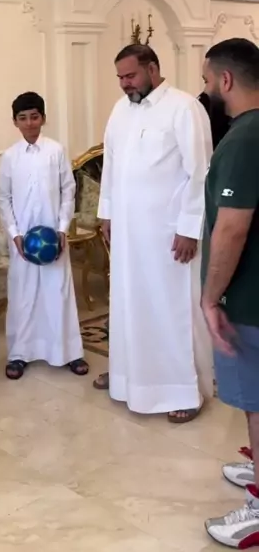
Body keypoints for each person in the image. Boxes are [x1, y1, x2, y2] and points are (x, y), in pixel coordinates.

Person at [93, 44, 214, 421]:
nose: (124, 84)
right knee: (128, 303)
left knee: (171, 309)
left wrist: (190, 228)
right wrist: (107, 213)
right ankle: (128, 377)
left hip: (169, 235)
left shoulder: (184, 108)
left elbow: (201, 173)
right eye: (120, 77)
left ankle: (185, 392)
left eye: (130, 76)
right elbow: (111, 166)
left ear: (152, 68)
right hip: (128, 234)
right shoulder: (120, 110)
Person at [200, 38, 259, 547]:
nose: (205, 91)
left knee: (256, 400)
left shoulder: (243, 139)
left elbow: (232, 228)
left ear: (225, 80)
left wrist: (210, 297)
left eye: (206, 81)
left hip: (249, 299)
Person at [0, 92, 88, 379]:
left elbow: (68, 191)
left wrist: (62, 228)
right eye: (23, 118)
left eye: (34, 117)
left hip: (53, 237)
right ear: (15, 122)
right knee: (23, 295)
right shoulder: (10, 157)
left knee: (58, 291)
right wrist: (15, 234)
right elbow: (3, 198)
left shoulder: (56, 151)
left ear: (43, 118)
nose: (29, 123)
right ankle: (19, 354)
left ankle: (68, 352)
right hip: (23, 240)